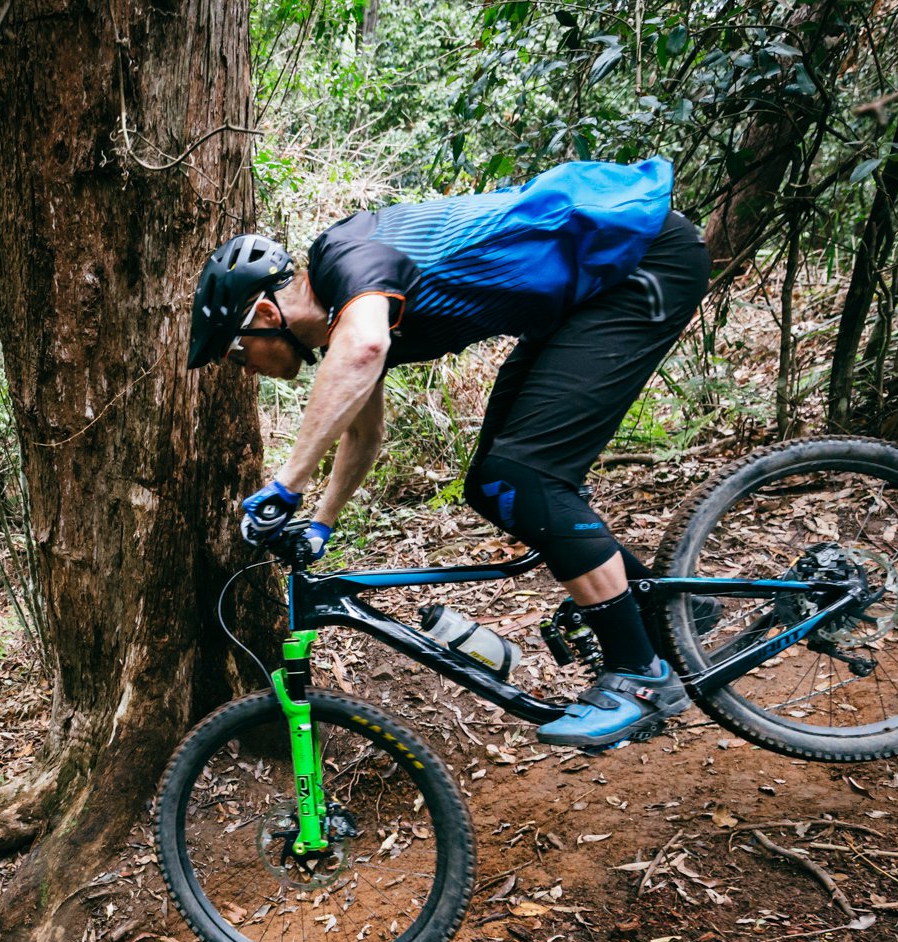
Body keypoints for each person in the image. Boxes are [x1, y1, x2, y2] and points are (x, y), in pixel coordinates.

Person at [186, 157, 711, 749]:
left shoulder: (344, 259)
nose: (249, 370)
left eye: (239, 355)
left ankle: (641, 679)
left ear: (262, 314)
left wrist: (287, 485)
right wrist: (322, 524)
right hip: (583, 300)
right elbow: (363, 434)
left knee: (525, 477)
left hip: (640, 263)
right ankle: (668, 613)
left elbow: (362, 351)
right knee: (492, 483)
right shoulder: (351, 315)